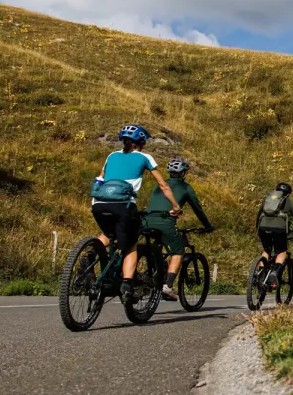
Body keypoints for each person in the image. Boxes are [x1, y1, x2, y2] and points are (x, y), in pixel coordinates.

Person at [92, 125, 180, 303]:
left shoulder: (112, 155)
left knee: (108, 234)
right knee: (131, 244)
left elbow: (99, 179)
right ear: (140, 142)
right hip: (123, 205)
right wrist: (175, 206)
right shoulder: (144, 157)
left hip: (99, 204)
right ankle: (126, 285)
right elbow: (163, 185)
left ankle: (88, 257)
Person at [144, 157, 214, 300]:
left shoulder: (159, 185)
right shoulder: (186, 188)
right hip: (165, 222)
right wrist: (207, 226)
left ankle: (156, 269)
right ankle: (167, 286)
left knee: (157, 245)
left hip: (146, 220)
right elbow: (198, 209)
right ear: (183, 173)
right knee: (178, 251)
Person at [255, 182, 293, 289]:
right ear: (288, 193)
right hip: (278, 228)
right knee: (281, 251)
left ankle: (260, 274)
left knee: (266, 250)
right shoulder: (288, 201)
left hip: (262, 227)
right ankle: (274, 273)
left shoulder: (268, 199)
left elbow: (259, 214)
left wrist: (258, 229)